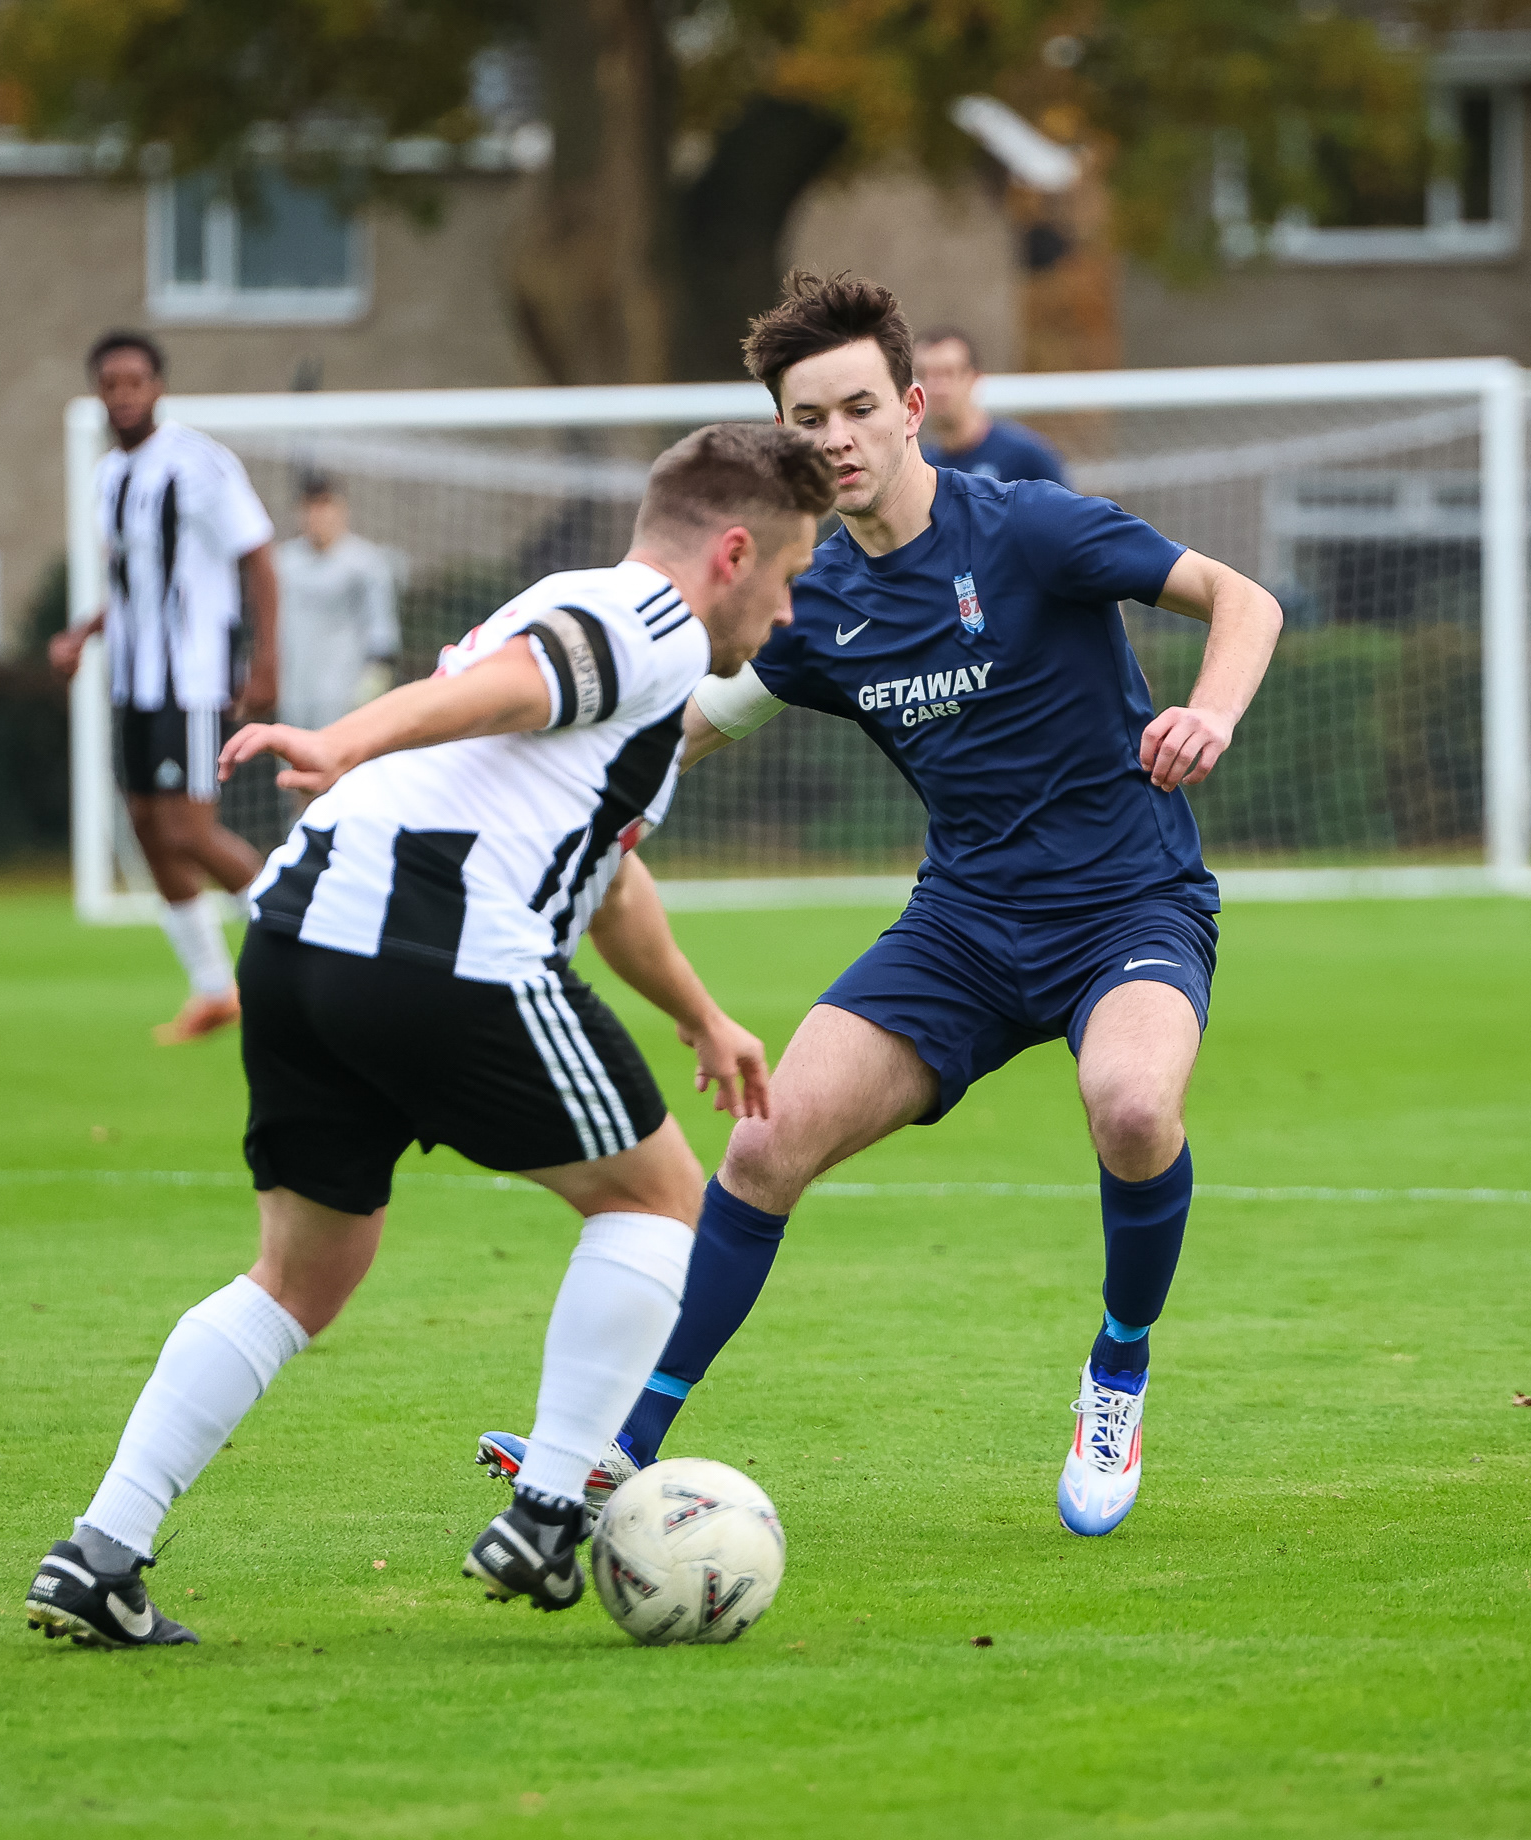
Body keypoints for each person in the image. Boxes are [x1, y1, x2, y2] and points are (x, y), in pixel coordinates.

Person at [482, 272, 1282, 1539]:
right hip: (961, 930)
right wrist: (530, 773)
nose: (838, 439)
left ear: (913, 409)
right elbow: (690, 723)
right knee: (762, 1146)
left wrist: (1211, 712)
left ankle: (1117, 1372)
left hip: (1128, 906)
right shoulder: (813, 604)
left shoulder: (1030, 527)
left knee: (1133, 1109)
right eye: (809, 420)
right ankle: (620, 1445)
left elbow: (1246, 598)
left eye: (860, 408)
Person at [21, 422, 835, 1646]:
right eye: (787, 576)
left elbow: (610, 882)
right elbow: (508, 684)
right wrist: (345, 738)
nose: (784, 612)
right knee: (660, 1198)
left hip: (296, 938)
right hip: (437, 943)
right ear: (731, 554)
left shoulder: (603, 636)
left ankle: (99, 1554)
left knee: (304, 1274)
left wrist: (701, 1016)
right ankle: (546, 1518)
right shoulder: (652, 621)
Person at [49, 330, 280, 1045]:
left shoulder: (199, 464)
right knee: (149, 829)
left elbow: (258, 557)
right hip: (134, 682)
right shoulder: (109, 476)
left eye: (135, 381)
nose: (123, 394)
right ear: (98, 392)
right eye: (110, 383)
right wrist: (84, 633)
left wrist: (266, 659)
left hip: (195, 679)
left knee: (189, 829)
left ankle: (308, 934)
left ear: (158, 388)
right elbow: (137, 585)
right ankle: (214, 989)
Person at [275, 474, 410, 731]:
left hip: (342, 694)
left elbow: (382, 633)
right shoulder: (283, 562)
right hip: (293, 691)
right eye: (310, 507)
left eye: (325, 506)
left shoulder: (365, 564)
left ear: (341, 510)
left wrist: (373, 681)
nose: (317, 516)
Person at [914, 325, 1067, 486]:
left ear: (974, 379)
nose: (934, 387)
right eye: (924, 374)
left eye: (947, 373)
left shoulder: (1027, 458)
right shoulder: (923, 466)